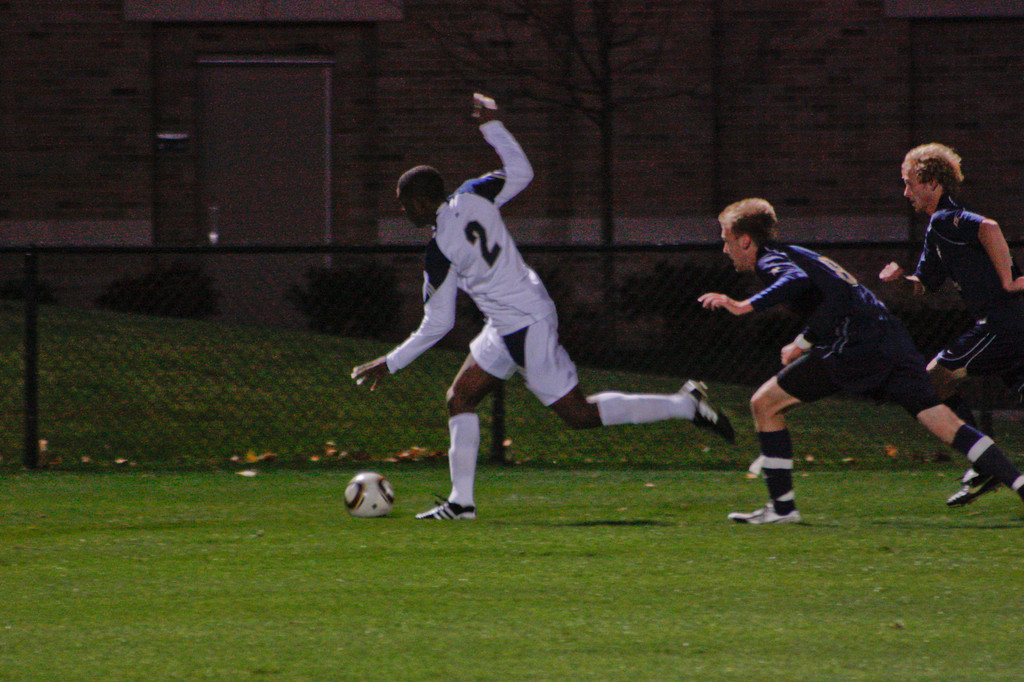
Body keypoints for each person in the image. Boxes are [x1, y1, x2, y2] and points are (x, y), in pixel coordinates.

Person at [351, 93, 734, 520]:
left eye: (404, 203)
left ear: (422, 202)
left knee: (579, 415)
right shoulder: (474, 193)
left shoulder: (439, 250)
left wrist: (391, 362)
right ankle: (461, 504)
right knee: (459, 398)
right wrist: (492, 126)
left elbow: (438, 324)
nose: (402, 210)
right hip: (511, 318)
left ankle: (685, 405)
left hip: (523, 325)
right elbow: (522, 172)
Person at [699, 197, 1024, 524]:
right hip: (888, 337)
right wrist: (806, 339)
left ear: (745, 240)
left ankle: (782, 509)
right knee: (945, 423)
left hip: (854, 345)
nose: (725, 249)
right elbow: (836, 294)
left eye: (727, 240)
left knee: (764, 404)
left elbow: (796, 282)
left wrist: (745, 306)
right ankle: (1020, 485)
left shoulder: (770, 259)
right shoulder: (794, 252)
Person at [880, 143, 1024, 507]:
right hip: (1010, 323)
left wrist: (1008, 279)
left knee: (934, 378)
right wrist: (901, 280)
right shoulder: (938, 229)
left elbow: (988, 227)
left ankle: (984, 463)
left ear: (932, 183)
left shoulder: (948, 220)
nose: (906, 193)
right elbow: (924, 285)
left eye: (910, 183)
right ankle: (986, 464)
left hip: (1002, 323)